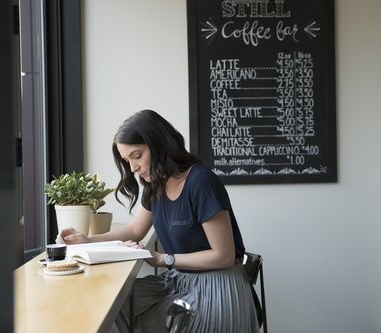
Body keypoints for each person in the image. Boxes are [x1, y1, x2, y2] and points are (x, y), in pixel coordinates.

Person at [59, 109, 259, 333]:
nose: (132, 168)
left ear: (159, 144)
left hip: (218, 287)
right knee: (112, 303)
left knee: (144, 318)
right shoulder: (156, 185)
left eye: (136, 156)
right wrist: (87, 241)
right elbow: (134, 230)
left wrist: (164, 259)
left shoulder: (201, 182)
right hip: (180, 281)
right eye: (127, 160)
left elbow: (223, 256)